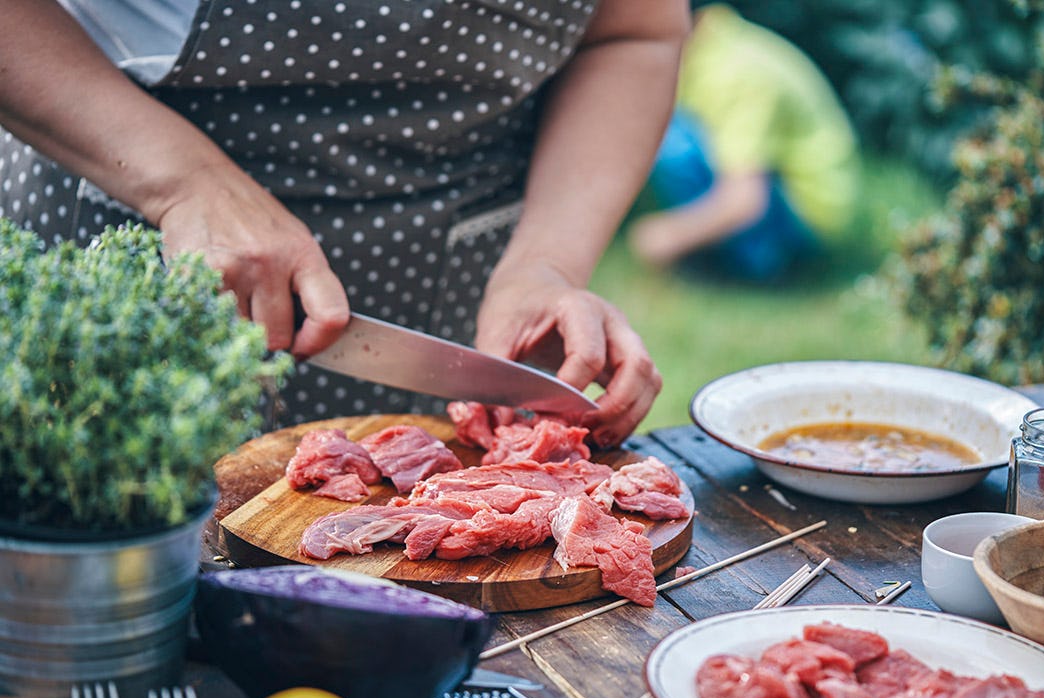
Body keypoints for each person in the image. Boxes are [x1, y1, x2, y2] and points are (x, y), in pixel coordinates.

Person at [0, 0, 689, 447]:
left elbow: (635, 31)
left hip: (452, 293)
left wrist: (547, 264)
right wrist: (184, 184)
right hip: (130, 242)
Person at [628, 3, 860, 283]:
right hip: (791, 194)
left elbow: (747, 201)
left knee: (670, 138)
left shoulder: (735, 75)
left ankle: (756, 264)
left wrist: (666, 236)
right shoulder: (713, 46)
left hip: (807, 217)